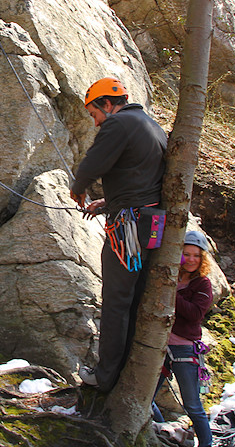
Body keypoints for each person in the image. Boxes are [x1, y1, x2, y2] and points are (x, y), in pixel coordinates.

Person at [69, 77, 168, 392]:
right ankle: (126, 369)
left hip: (129, 227)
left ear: (107, 104)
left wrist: (78, 189)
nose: (95, 122)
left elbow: (91, 165)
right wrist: (109, 202)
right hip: (150, 223)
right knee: (134, 297)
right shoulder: (151, 126)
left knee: (115, 301)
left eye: (94, 113)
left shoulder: (118, 124)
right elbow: (141, 175)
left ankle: (105, 375)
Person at [152, 229, 214, 447]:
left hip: (185, 351)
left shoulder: (202, 284)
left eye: (196, 255)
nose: (191, 259)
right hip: (159, 346)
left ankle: (206, 444)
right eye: (186, 254)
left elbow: (196, 314)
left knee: (193, 406)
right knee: (145, 399)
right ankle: (164, 431)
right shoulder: (169, 276)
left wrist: (170, 292)